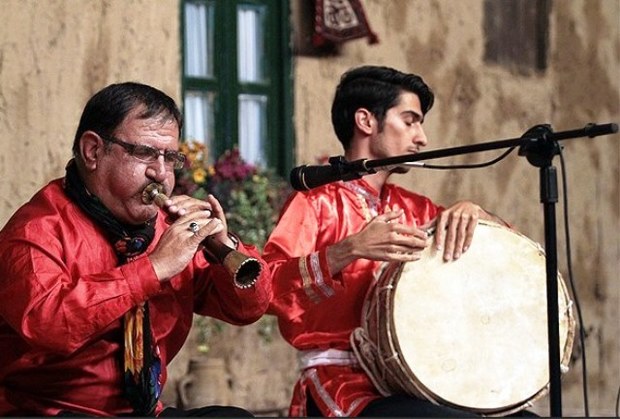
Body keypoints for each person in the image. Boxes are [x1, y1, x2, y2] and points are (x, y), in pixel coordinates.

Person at [0, 82, 272, 416]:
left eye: (170, 158)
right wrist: (153, 268)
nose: (160, 173)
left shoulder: (165, 230)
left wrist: (224, 246)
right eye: (144, 153)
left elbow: (247, 309)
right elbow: (49, 326)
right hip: (49, 410)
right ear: (93, 152)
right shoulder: (36, 231)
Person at [262, 65, 518, 417]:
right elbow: (267, 287)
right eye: (410, 120)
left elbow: (512, 252)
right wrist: (349, 249)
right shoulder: (315, 203)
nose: (422, 138)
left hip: (420, 379)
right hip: (344, 382)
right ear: (366, 121)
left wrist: (476, 212)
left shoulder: (416, 208)